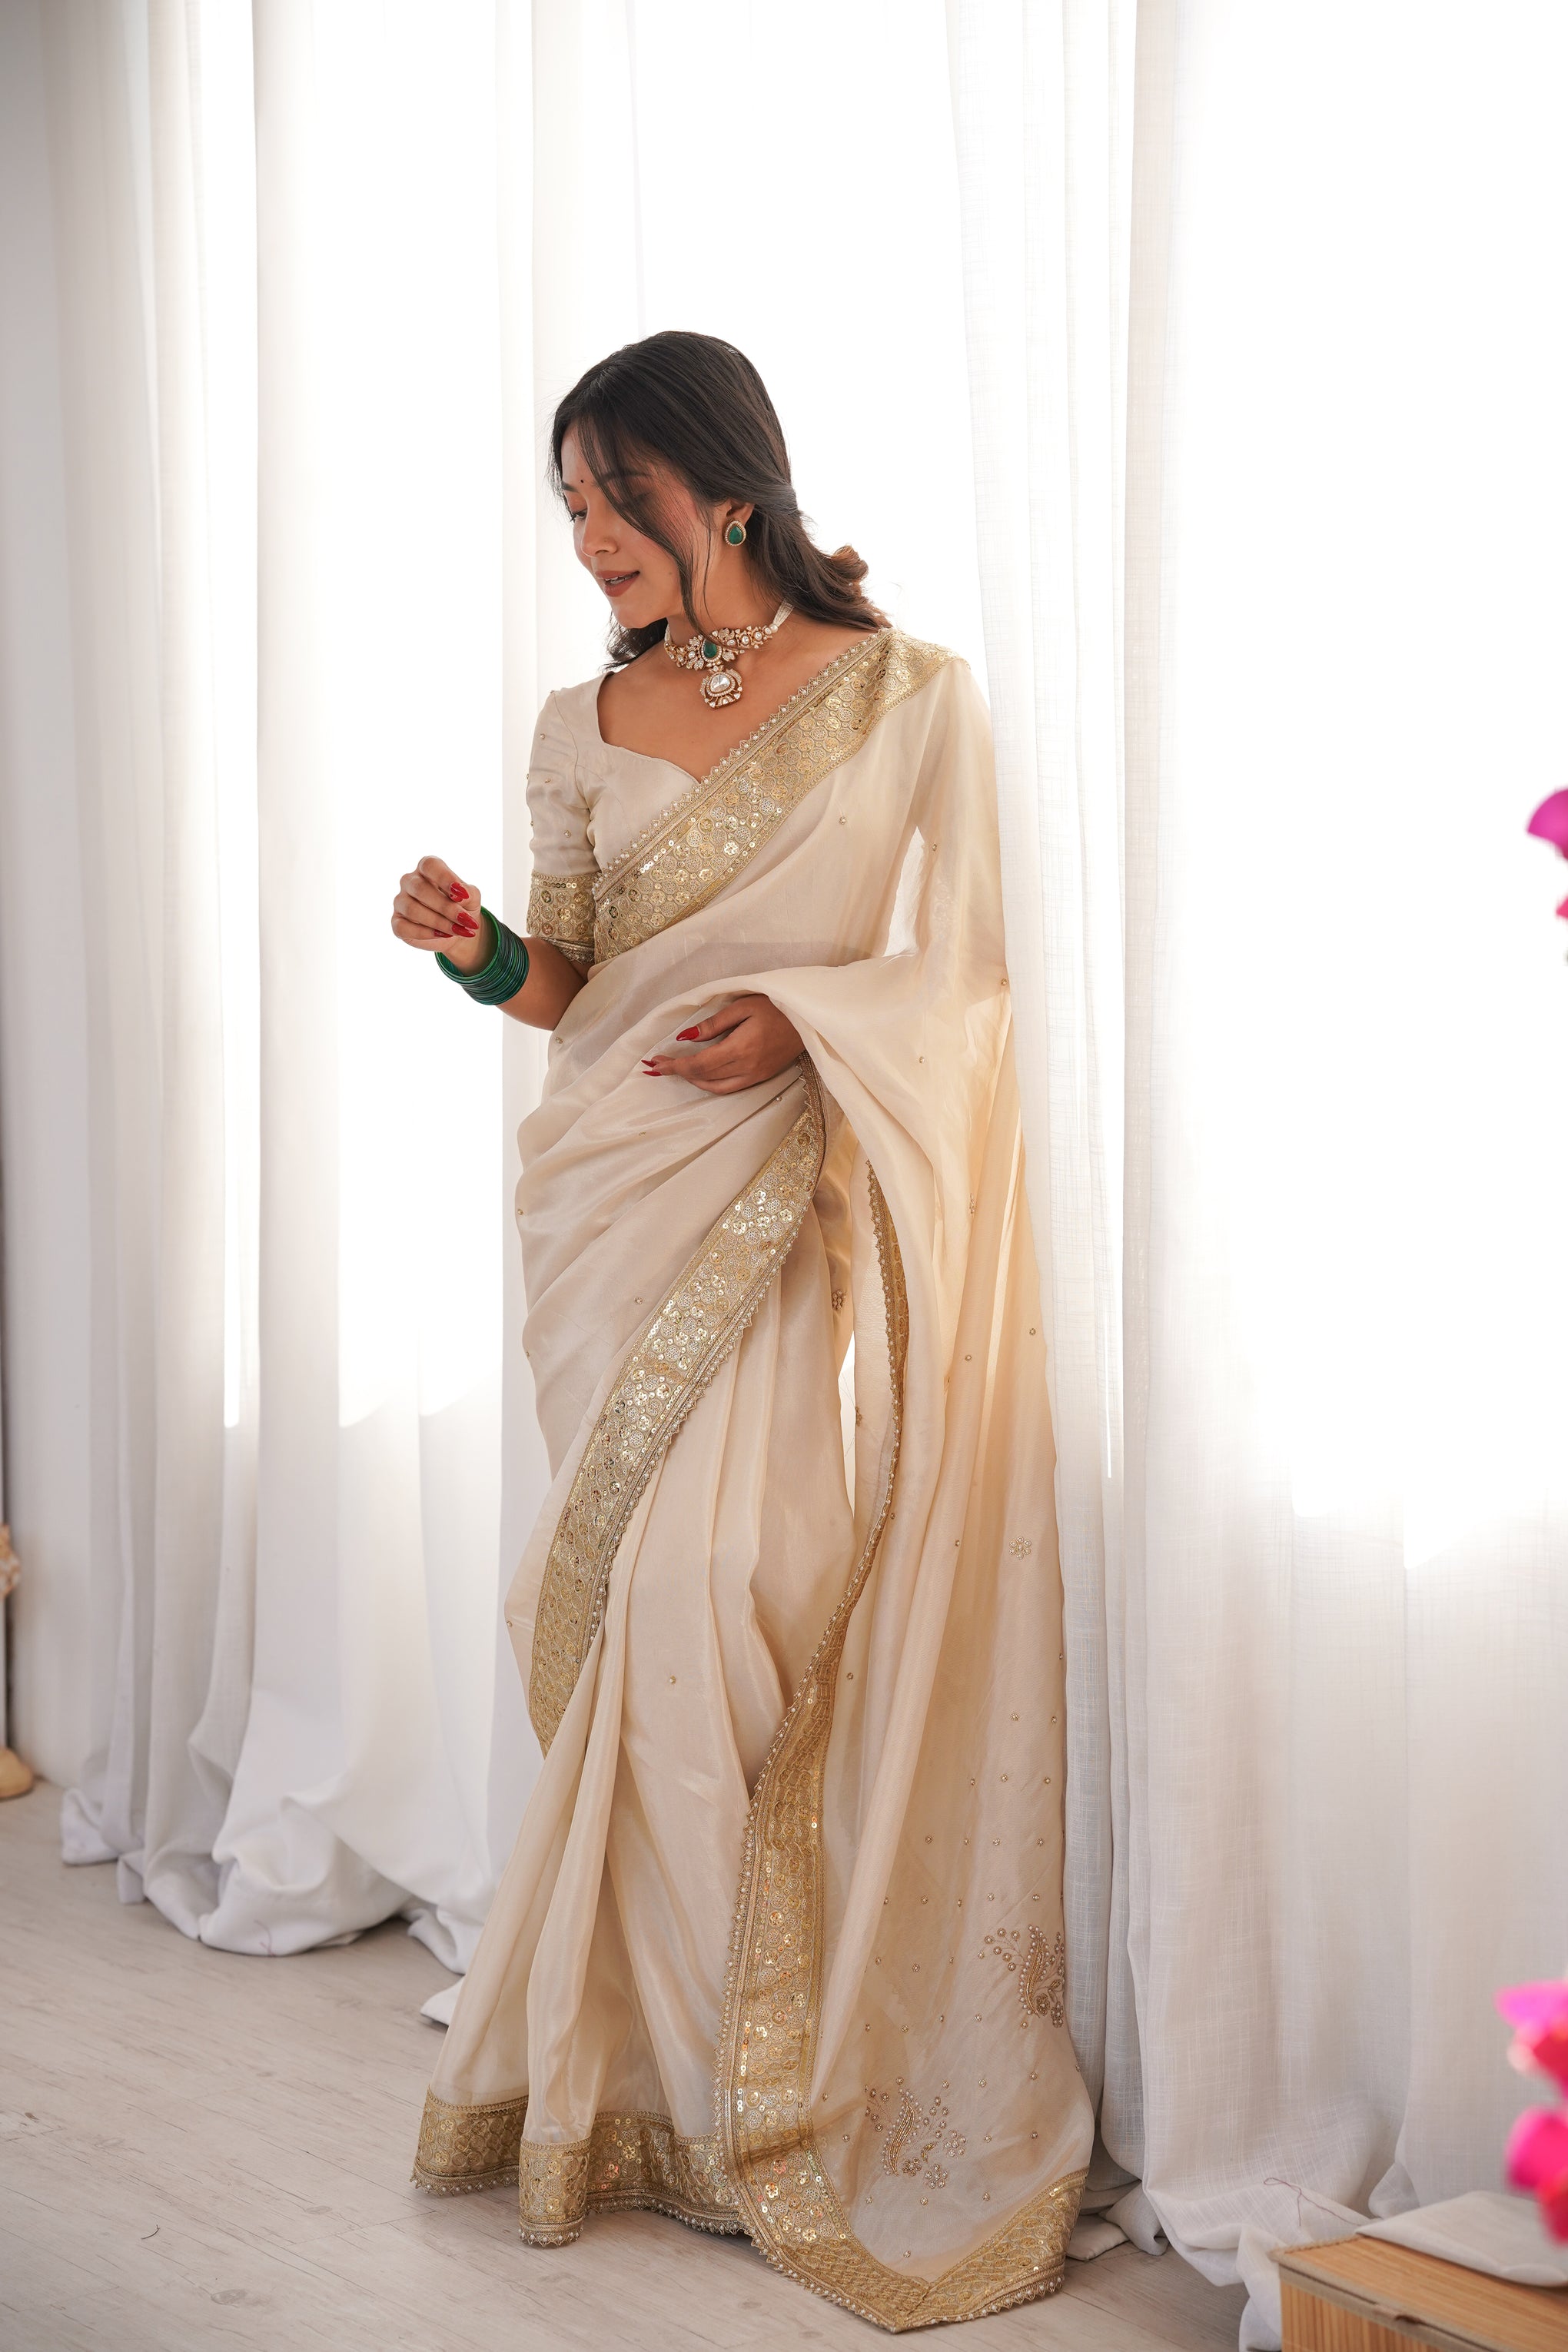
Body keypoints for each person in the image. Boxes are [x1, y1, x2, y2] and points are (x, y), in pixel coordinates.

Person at [390, 331, 1091, 2329]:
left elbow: (973, 968)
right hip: (609, 1196)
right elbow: (577, 979)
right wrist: (481, 954)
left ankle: (742, 2076)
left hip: (794, 1197)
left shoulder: (906, 695)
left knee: (724, 1589)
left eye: (620, 496)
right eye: (571, 506)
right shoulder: (577, 720)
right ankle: (646, 2084)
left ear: (729, 483)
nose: (593, 538)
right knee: (644, 1603)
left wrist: (803, 1018)